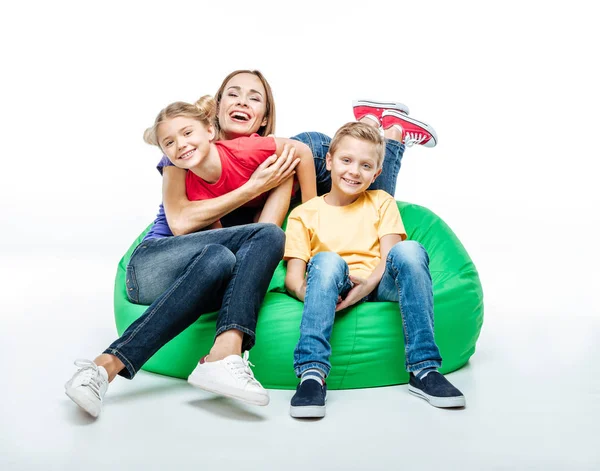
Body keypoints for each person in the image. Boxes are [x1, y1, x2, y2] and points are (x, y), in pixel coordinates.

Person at [63, 98, 306, 419]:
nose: (180, 145)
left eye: (187, 133)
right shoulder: (176, 166)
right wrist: (253, 187)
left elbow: (295, 155)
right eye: (169, 142)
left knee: (220, 258)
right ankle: (226, 353)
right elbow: (180, 223)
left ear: (210, 131)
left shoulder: (231, 158)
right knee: (268, 235)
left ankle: (101, 369)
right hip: (150, 264)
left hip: (197, 272)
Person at [283, 122, 465, 419]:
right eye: (346, 160)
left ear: (377, 173)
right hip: (334, 283)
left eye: (365, 165)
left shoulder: (381, 201)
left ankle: (423, 369)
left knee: (410, 249)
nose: (354, 171)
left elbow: (389, 256)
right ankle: (312, 374)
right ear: (328, 161)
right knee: (327, 261)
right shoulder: (304, 214)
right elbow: (293, 278)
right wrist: (320, 295)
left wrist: (364, 288)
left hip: (378, 283)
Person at [160, 70, 439, 236]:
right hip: (291, 167)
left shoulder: (261, 150)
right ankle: (374, 124)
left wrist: (312, 216)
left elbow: (301, 155)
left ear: (265, 119)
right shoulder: (189, 151)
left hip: (313, 158)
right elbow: (203, 223)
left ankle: (387, 133)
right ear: (218, 106)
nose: (242, 102)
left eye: (254, 98)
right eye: (233, 95)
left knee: (371, 204)